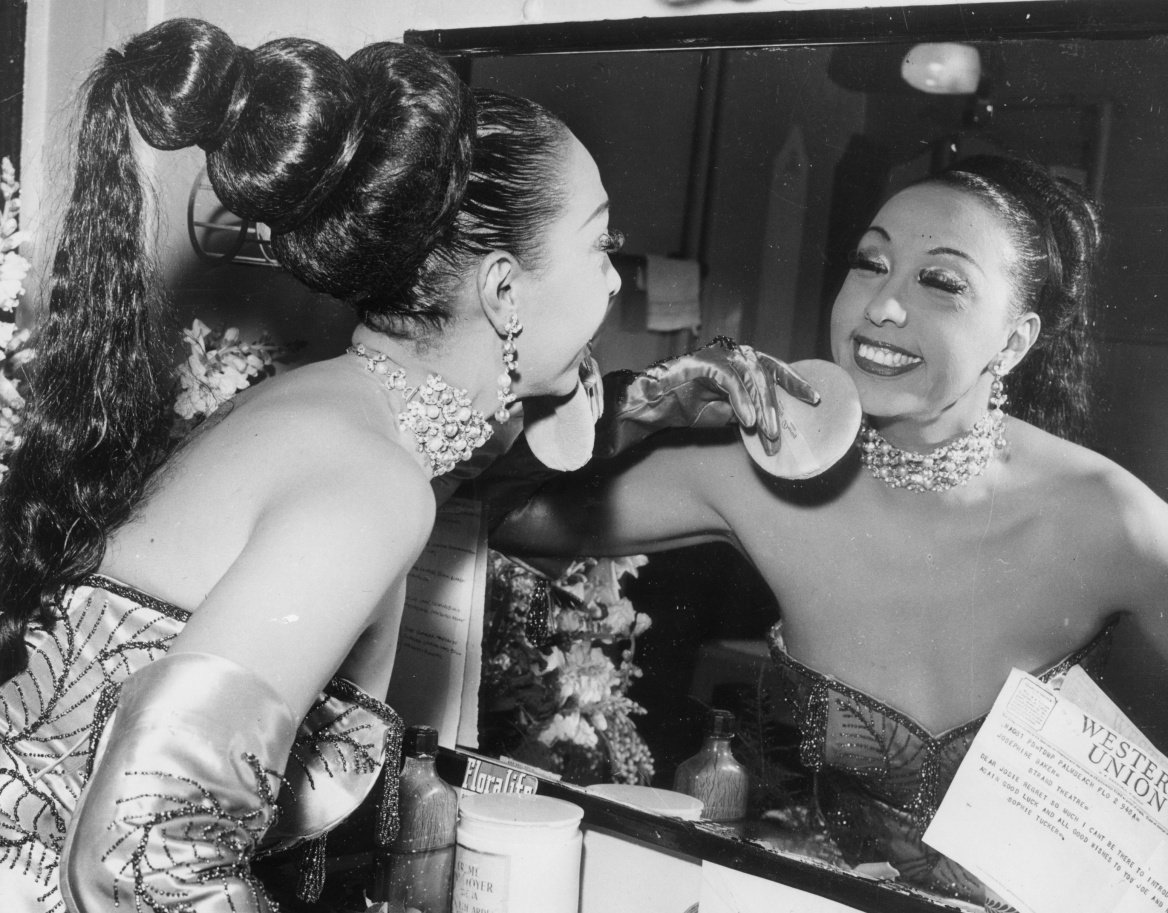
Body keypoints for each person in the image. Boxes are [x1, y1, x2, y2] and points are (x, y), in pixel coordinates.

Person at [0, 19, 815, 913]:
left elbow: (480, 456)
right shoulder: (371, 484)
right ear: (505, 292)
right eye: (600, 243)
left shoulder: (331, 410)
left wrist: (644, 407)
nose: (617, 282)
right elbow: (139, 859)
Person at [491, 155, 1168, 904]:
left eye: (941, 282)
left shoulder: (1107, 516)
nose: (884, 306)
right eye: (870, 264)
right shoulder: (757, 472)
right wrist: (640, 405)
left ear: (1015, 342)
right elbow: (502, 515)